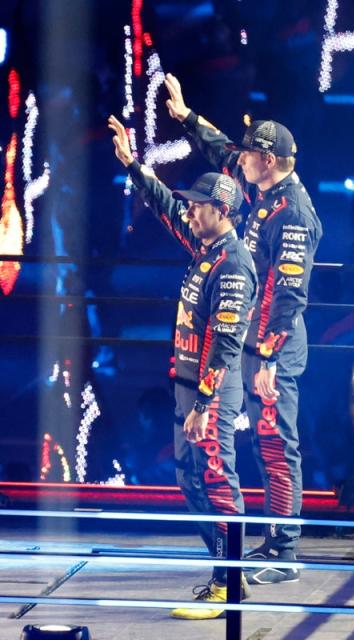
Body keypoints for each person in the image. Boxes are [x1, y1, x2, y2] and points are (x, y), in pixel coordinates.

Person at [164, 74, 323, 584]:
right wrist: (186, 115)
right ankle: (265, 544)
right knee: (257, 444)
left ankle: (284, 549)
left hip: (271, 350)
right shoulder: (261, 188)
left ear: (269, 160)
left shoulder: (292, 213)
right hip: (250, 347)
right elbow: (220, 152)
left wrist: (269, 358)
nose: (241, 158)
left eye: (250, 153)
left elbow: (290, 292)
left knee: (276, 442)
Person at [109, 115, 257, 619]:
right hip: (188, 387)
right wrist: (133, 166)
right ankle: (223, 574)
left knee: (217, 478)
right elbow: (167, 207)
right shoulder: (205, 245)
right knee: (190, 479)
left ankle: (229, 584)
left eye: (198, 206)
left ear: (221, 210)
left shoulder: (232, 264)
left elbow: (228, 341)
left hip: (208, 392)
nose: (189, 212)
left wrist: (204, 403)